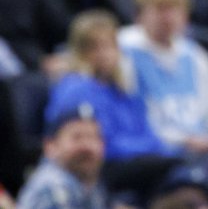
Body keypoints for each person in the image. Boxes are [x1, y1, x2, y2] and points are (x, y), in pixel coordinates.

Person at [45, 11, 180, 202]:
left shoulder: (121, 89)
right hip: (98, 164)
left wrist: (159, 148)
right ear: (80, 51)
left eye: (110, 46)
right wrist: (149, 149)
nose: (104, 54)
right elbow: (98, 143)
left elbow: (146, 130)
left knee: (183, 169)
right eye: (95, 47)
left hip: (136, 160)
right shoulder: (75, 88)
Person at [118, 0, 208, 154]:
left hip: (201, 148)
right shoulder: (122, 50)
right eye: (160, 9)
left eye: (174, 9)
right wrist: (182, 141)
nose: (168, 18)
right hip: (155, 151)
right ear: (139, 15)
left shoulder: (196, 56)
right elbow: (128, 117)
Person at [16, 104, 107, 209]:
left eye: (93, 137)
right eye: (77, 137)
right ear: (50, 146)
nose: (87, 146)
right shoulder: (53, 188)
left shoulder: (87, 184)